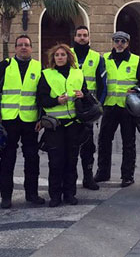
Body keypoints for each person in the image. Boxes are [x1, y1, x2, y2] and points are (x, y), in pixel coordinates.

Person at [0, 35, 45, 209]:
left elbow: (42, 95)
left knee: (32, 158)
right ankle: (6, 196)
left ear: (32, 48)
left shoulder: (39, 67)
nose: (23, 48)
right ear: (15, 48)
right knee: (7, 159)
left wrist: (41, 117)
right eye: (20, 45)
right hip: (8, 120)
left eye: (27, 45)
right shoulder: (5, 66)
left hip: (30, 121)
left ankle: (32, 194)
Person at [94, 31, 140, 187]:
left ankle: (127, 175)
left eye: (123, 41)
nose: (119, 44)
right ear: (113, 42)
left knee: (128, 142)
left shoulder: (135, 60)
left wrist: (138, 88)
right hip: (110, 106)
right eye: (117, 40)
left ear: (128, 43)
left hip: (128, 108)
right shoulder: (104, 59)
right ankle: (103, 172)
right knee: (104, 140)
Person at [38, 43, 87, 207]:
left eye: (63, 55)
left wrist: (83, 95)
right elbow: (42, 99)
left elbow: (86, 95)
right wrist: (56, 101)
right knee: (56, 162)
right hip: (55, 126)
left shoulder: (78, 74)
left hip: (74, 124)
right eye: (57, 55)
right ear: (53, 58)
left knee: (71, 161)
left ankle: (70, 194)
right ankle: (55, 195)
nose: (60, 57)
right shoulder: (46, 75)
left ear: (68, 57)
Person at [71, 25, 106, 190]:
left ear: (89, 38)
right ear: (75, 37)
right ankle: (70, 179)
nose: (82, 38)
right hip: (69, 108)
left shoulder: (97, 58)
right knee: (70, 146)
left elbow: (102, 84)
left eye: (85, 35)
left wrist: (98, 106)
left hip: (88, 110)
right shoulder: (66, 54)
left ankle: (88, 177)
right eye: (79, 35)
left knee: (88, 145)